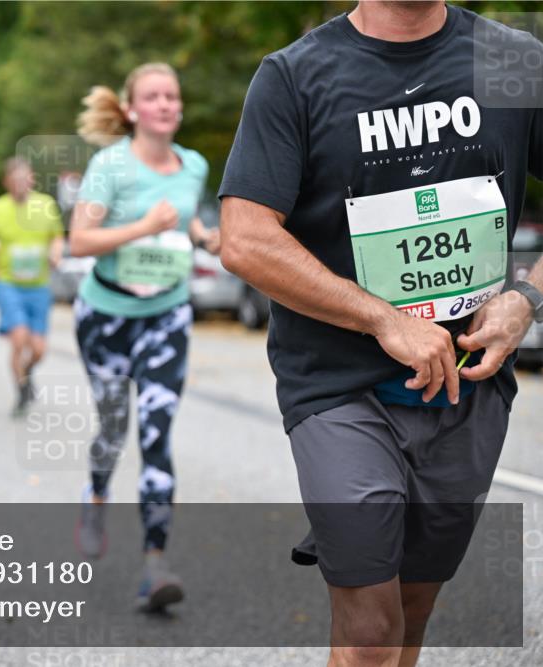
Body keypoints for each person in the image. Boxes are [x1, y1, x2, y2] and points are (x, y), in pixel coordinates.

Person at [218, 2, 543, 664]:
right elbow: (245, 238)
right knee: (369, 630)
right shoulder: (295, 76)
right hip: (339, 387)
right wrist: (383, 318)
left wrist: (526, 298)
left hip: (467, 387)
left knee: (412, 611)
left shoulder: (512, 61)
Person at [69, 62, 217, 613]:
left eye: (171, 96)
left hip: (166, 315)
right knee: (113, 427)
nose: (164, 104)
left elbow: (185, 220)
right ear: (132, 109)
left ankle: (155, 565)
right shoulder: (109, 166)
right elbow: (80, 240)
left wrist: (206, 237)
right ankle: (96, 496)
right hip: (106, 316)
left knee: (156, 433)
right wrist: (142, 228)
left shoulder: (193, 165)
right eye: (152, 97)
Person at [0, 157, 64, 416]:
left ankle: (27, 371)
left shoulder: (46, 205)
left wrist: (56, 253)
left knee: (38, 349)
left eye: (24, 178)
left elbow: (57, 237)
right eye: (14, 179)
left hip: (38, 286)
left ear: (32, 179)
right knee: (18, 340)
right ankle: (21, 391)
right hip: (9, 284)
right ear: (6, 182)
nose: (20, 184)